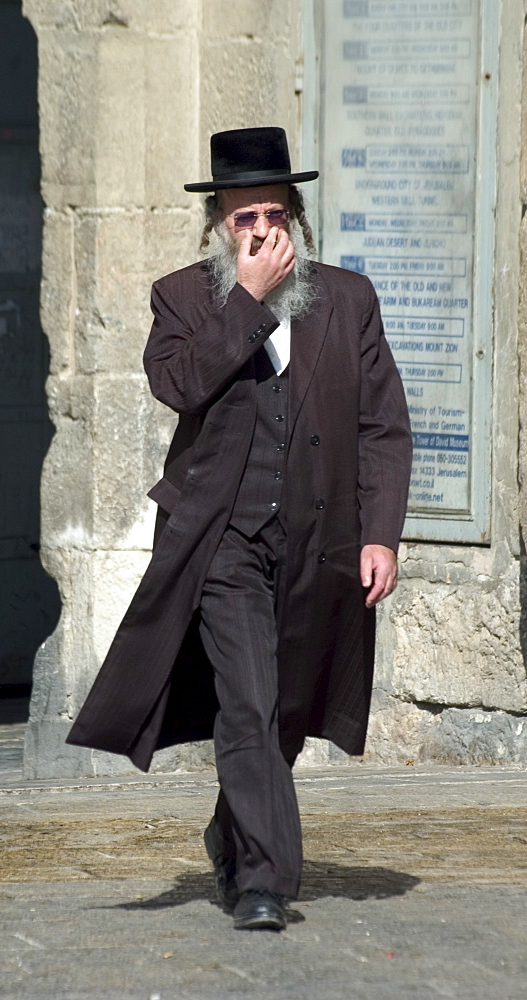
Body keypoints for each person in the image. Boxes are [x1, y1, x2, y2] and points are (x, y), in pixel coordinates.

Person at [66, 127, 412, 931]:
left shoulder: (349, 300)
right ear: (218, 226)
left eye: (272, 214)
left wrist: (381, 534)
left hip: (319, 541)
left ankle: (232, 827)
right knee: (248, 704)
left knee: (289, 710)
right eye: (240, 217)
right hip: (221, 539)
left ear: (295, 216)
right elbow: (178, 384)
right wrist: (248, 301)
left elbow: (384, 428)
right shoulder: (183, 298)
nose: (258, 231)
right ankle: (264, 881)